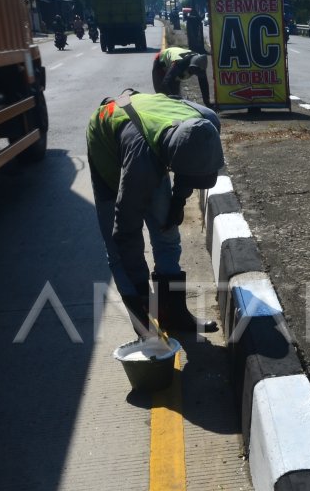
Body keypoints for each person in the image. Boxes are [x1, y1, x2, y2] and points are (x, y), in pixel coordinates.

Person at [85, 91, 223, 335]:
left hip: (151, 133)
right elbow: (125, 230)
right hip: (105, 139)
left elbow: (189, 165)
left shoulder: (207, 122)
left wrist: (178, 201)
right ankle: (144, 322)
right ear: (172, 159)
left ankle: (174, 315)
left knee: (166, 230)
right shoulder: (142, 162)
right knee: (119, 246)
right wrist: (140, 290)